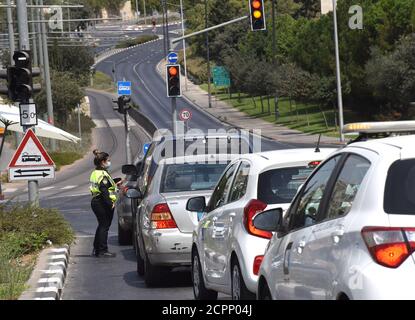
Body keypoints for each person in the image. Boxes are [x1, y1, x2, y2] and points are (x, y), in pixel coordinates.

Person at [90, 150, 121, 258]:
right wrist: (109, 203)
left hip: (96, 201)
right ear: (103, 162)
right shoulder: (102, 174)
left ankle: (97, 248)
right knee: (104, 226)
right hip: (102, 203)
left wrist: (116, 182)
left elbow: (106, 185)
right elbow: (103, 190)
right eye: (108, 160)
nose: (109, 162)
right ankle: (103, 250)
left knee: (101, 225)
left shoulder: (96, 172)